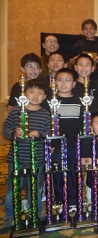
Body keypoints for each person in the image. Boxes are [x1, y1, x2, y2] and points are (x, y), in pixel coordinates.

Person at [2, 79, 51, 228]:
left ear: (44, 97)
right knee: (13, 188)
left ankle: (35, 214)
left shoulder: (45, 114)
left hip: (37, 158)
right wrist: (14, 133)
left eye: (40, 93)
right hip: (16, 157)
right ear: (24, 94)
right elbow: (5, 130)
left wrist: (40, 134)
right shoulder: (16, 111)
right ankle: (10, 216)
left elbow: (49, 133)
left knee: (34, 188)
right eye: (31, 92)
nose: (35, 96)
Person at [51, 68, 83, 212]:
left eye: (68, 80)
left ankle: (72, 201)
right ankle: (59, 200)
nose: (63, 83)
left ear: (74, 83)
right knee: (57, 172)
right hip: (55, 146)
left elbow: (81, 124)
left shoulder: (79, 102)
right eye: (60, 80)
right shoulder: (50, 102)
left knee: (72, 172)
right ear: (54, 82)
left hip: (73, 144)